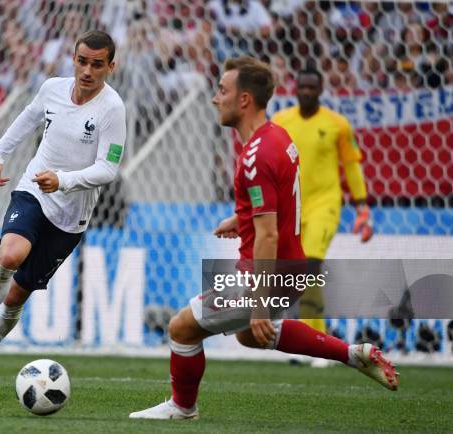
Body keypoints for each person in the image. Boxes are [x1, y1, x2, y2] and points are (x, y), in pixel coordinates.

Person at [129, 56, 397, 420]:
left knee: (182, 329)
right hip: (291, 267)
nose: (214, 98)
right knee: (250, 335)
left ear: (244, 100)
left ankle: (182, 407)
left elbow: (268, 233)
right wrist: (241, 220)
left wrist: (258, 301)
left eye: (222, 90)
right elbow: (277, 204)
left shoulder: (256, 156)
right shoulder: (278, 136)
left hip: (263, 273)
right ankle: (354, 354)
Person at [0, 30, 126, 394]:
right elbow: (27, 117)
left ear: (110, 67)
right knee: (9, 254)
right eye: (82, 61)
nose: (87, 71)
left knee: (17, 295)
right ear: (74, 58)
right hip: (34, 189)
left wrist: (64, 180)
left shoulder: (112, 109)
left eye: (97, 65)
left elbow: (108, 169)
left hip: (71, 215)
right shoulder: (52, 88)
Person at [271, 68, 372, 367]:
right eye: (301, 86)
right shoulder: (281, 122)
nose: (305, 91)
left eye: (311, 87)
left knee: (310, 267)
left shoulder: (337, 124)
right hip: (293, 205)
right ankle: (309, 345)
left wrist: (362, 207)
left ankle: (322, 345)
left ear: (321, 88)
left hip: (325, 205)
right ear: (295, 88)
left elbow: (352, 166)